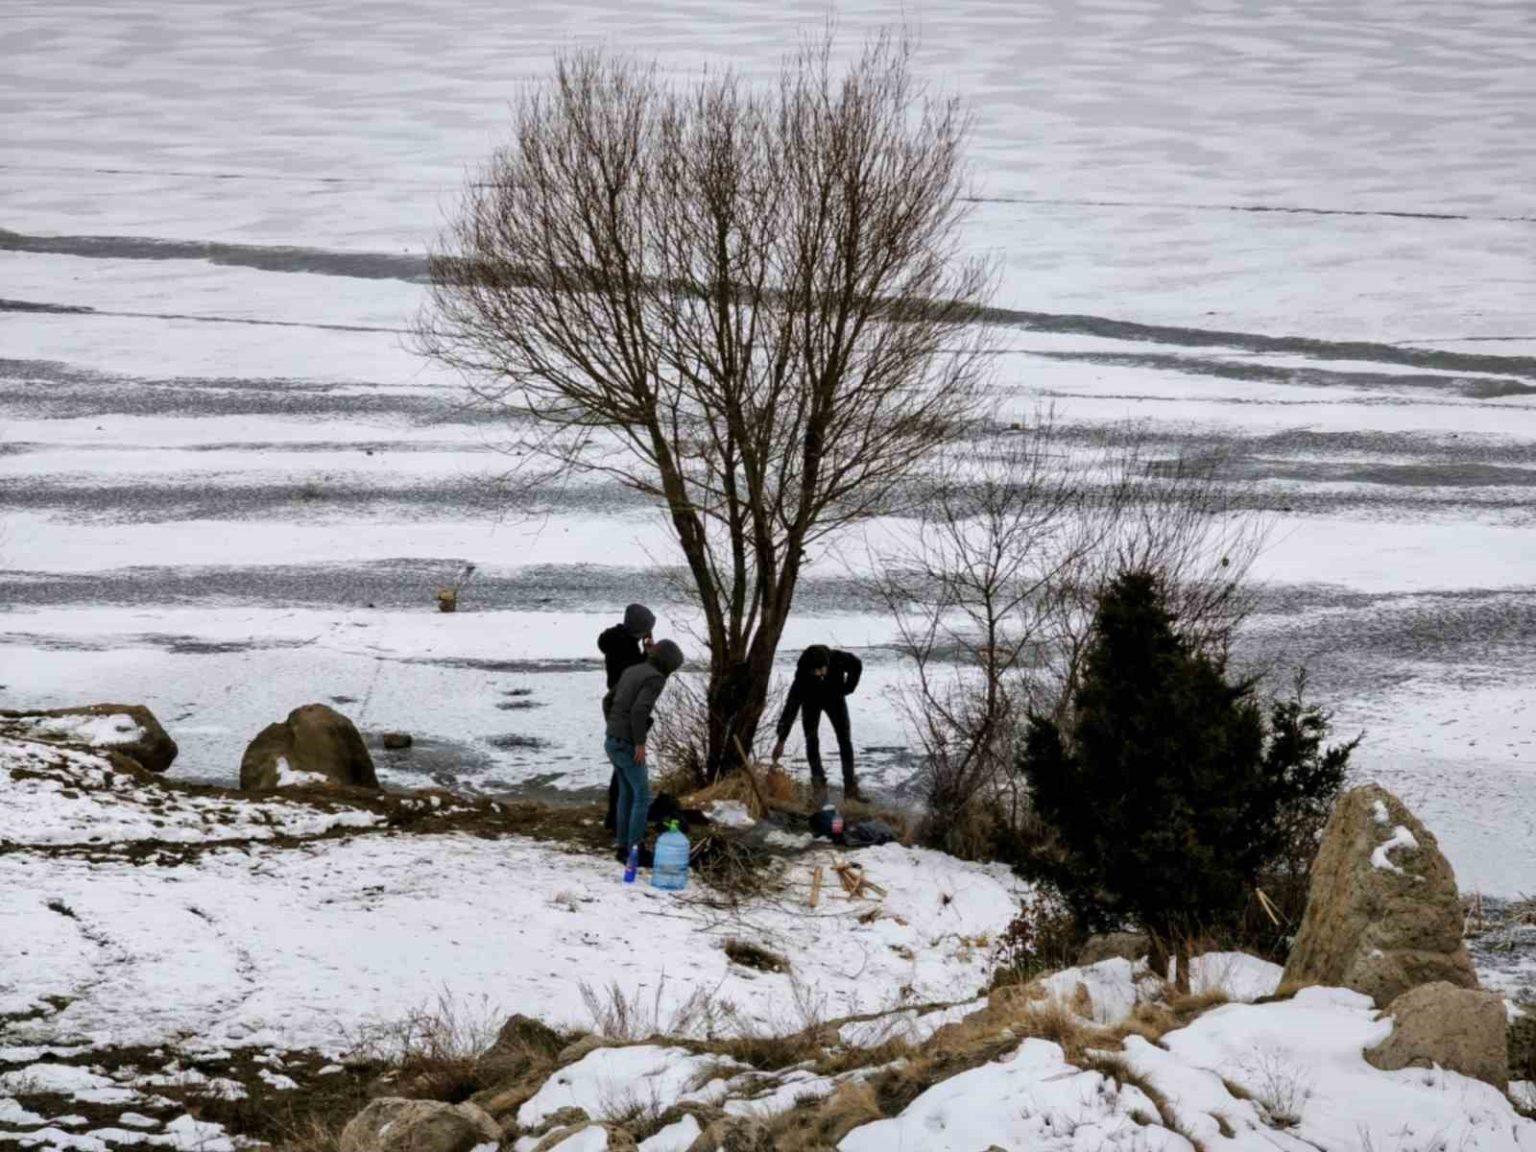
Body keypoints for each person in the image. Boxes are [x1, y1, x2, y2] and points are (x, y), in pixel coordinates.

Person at [605, 638, 685, 865]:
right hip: (628, 745)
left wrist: (614, 727)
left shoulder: (632, 670)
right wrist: (639, 743)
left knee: (626, 795)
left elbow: (607, 700)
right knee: (642, 796)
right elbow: (639, 711)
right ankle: (635, 850)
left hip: (612, 741)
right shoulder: (655, 678)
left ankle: (623, 847)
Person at [772, 644, 865, 805]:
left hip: (835, 698)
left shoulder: (838, 658)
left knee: (845, 740)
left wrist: (847, 688)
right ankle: (819, 788)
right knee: (811, 740)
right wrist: (781, 739)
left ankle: (850, 789)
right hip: (811, 702)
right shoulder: (802, 677)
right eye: (816, 672)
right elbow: (791, 707)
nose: (821, 674)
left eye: (822, 670)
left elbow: (857, 664)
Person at [598, 604, 655, 831]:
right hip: (626, 710)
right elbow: (637, 677)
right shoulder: (627, 650)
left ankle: (616, 817)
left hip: (616, 707)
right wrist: (648, 656)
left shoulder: (617, 640)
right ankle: (620, 818)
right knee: (627, 765)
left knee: (621, 766)